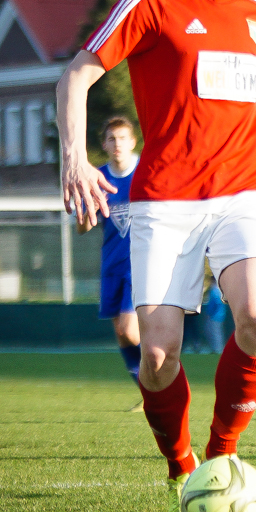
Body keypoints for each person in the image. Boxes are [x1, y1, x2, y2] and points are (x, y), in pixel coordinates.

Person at [56, 0, 256, 512]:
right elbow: (76, 75)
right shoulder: (153, 2)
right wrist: (75, 158)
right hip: (165, 200)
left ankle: (222, 451)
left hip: (244, 191)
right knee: (157, 359)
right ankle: (181, 462)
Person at [76, 116, 143, 406]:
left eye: (123, 138)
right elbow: (82, 227)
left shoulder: (145, 171)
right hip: (112, 262)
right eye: (112, 139)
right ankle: (149, 392)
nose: (118, 144)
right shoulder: (96, 178)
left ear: (133, 142)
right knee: (121, 332)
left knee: (129, 329)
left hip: (141, 262)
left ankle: (163, 378)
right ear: (104, 144)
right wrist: (87, 212)